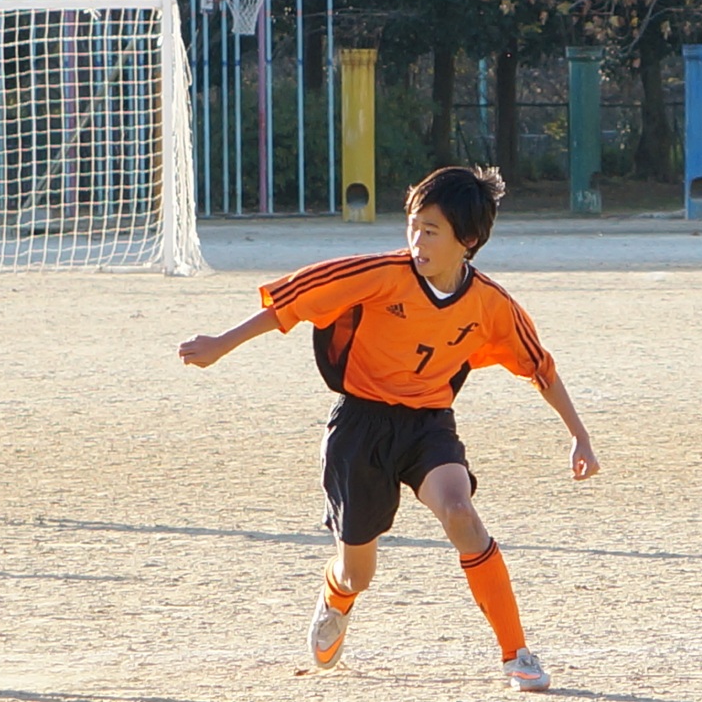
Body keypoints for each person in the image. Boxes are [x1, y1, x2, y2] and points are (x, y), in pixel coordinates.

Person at [178, 165, 600, 693]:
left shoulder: (491, 305)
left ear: (468, 241)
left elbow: (540, 366)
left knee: (461, 513)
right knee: (358, 573)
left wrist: (579, 435)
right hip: (361, 427)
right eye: (413, 226)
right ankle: (336, 596)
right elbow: (294, 302)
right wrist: (220, 343)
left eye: (431, 230)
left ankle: (517, 654)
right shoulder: (381, 274)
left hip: (429, 424)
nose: (416, 241)